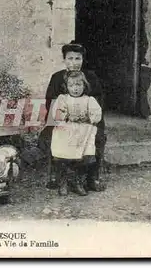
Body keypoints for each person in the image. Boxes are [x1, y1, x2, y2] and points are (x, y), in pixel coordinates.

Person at [38, 41, 107, 192]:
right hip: (63, 121)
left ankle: (91, 177)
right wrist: (62, 119)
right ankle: (59, 175)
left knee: (97, 137)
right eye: (70, 58)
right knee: (54, 137)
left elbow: (98, 102)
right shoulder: (57, 78)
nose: (74, 63)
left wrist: (88, 119)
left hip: (86, 121)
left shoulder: (90, 77)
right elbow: (51, 103)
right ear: (64, 60)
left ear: (83, 60)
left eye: (78, 58)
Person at [50, 71, 102, 196]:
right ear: (66, 87)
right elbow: (56, 114)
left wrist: (88, 117)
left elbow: (96, 115)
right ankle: (63, 182)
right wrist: (66, 115)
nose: (75, 88)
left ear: (84, 85)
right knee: (63, 154)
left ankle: (78, 181)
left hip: (83, 132)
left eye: (79, 85)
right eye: (72, 85)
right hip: (67, 130)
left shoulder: (89, 100)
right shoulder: (63, 99)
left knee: (83, 156)